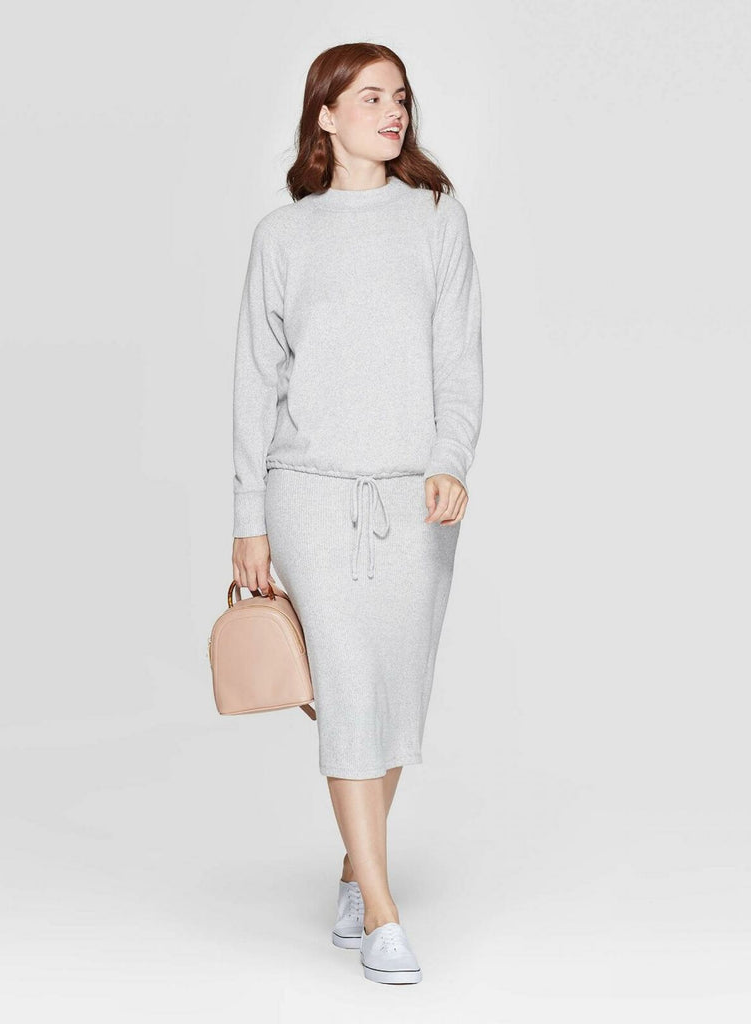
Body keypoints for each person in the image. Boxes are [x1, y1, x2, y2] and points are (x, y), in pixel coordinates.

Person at [230, 42, 483, 985]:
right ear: (325, 116)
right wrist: (248, 516)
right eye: (370, 97)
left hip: (414, 499)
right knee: (345, 690)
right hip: (309, 494)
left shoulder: (437, 220)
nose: (393, 112)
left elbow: (460, 361)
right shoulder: (282, 238)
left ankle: (352, 866)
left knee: (395, 694)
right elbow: (255, 385)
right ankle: (381, 911)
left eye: (400, 97)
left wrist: (450, 461)